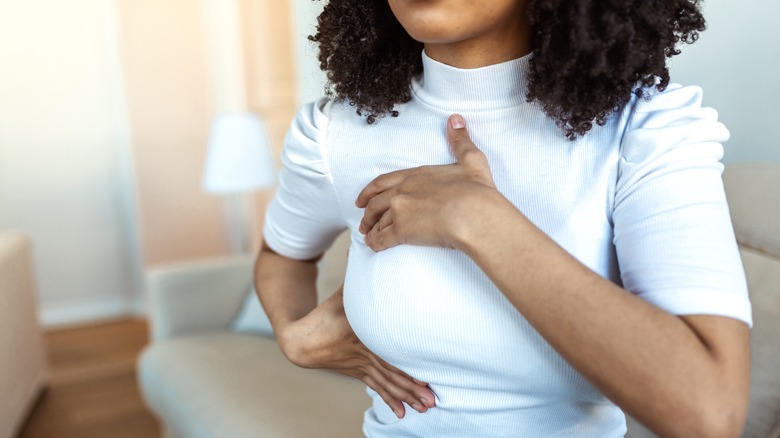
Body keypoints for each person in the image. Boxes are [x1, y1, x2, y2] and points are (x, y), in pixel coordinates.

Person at [254, 0, 752, 436]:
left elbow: (709, 413)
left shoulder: (646, 130)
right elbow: (282, 255)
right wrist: (292, 336)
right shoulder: (334, 133)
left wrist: (479, 219)